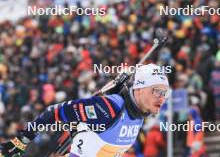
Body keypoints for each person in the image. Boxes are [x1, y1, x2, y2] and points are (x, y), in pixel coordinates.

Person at [0, 63, 169, 157]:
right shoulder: (109, 108)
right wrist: (21, 141)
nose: (162, 97)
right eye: (157, 91)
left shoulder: (140, 114)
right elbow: (54, 112)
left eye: (165, 93)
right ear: (139, 88)